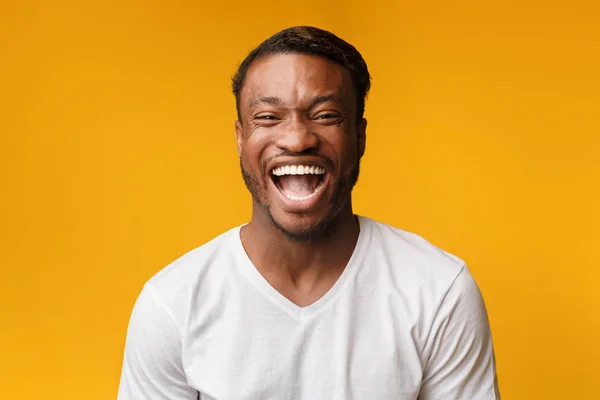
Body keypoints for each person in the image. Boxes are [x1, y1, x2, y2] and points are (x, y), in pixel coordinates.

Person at [118, 26, 500, 400]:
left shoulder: (437, 291)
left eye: (326, 115)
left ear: (360, 137)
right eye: (268, 117)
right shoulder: (173, 303)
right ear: (240, 138)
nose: (297, 139)